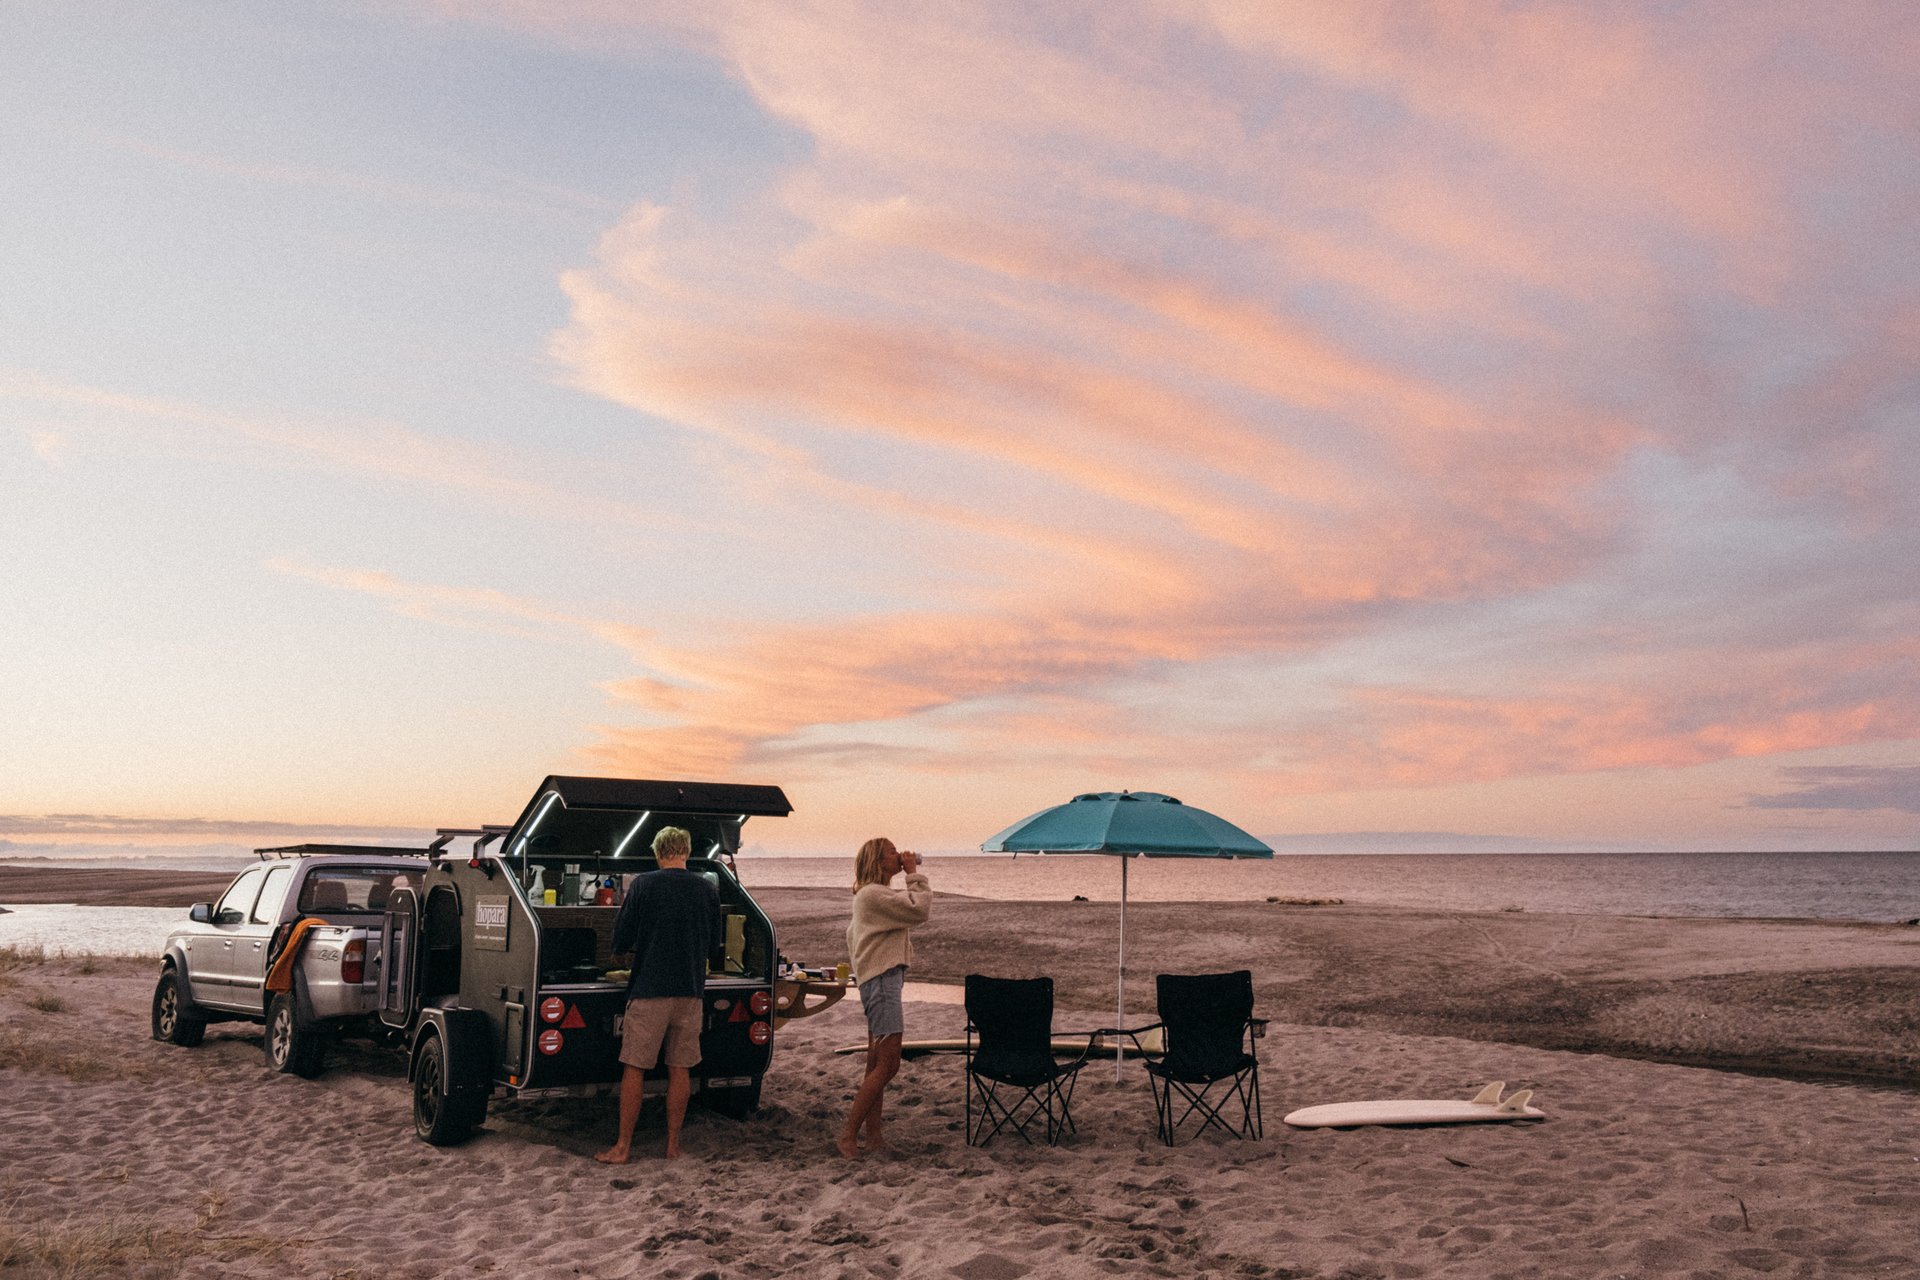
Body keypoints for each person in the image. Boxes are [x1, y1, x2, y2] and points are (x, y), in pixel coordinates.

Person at [594, 826, 721, 1163]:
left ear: (658, 852)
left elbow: (622, 935)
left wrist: (620, 953)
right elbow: (714, 944)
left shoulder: (644, 884)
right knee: (680, 1068)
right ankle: (673, 1146)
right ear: (687, 851)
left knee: (634, 1066)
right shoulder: (707, 888)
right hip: (691, 990)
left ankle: (622, 1147)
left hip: (650, 989)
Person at [837, 837, 931, 1159]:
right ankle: (848, 1135)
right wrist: (914, 875)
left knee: (875, 1063)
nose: (899, 854)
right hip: (881, 983)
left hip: (879, 982)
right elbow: (920, 910)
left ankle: (873, 1135)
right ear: (879, 862)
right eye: (892, 852)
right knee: (889, 1064)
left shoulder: (871, 896)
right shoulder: (873, 895)